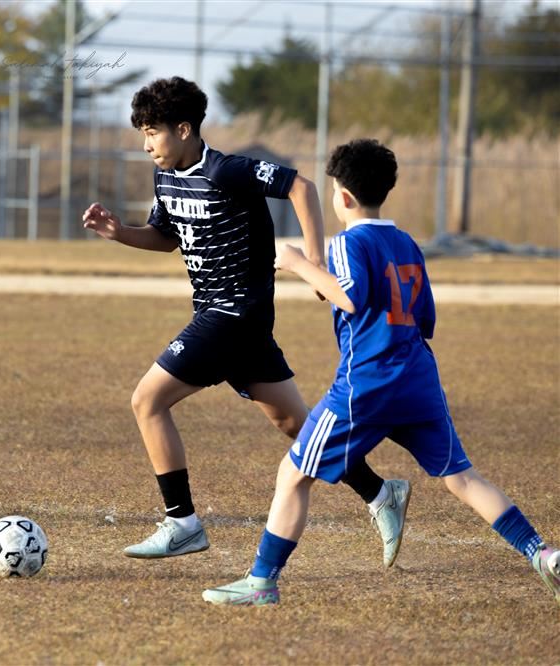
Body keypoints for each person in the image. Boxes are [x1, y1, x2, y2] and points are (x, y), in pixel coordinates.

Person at [202, 138, 559, 607]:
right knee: (464, 479)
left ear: (343, 197)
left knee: (293, 475)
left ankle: (262, 582)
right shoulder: (407, 243)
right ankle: (544, 553)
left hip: (366, 386)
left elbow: (348, 295)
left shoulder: (349, 242)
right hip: (418, 381)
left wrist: (298, 264)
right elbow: (426, 318)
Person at [82, 77, 407, 564]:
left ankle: (182, 523)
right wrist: (119, 233)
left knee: (147, 401)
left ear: (185, 129)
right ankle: (382, 493)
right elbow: (165, 235)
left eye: (153, 132)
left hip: (233, 314)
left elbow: (301, 186)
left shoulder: (228, 170)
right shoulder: (165, 175)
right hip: (227, 319)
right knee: (295, 422)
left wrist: (314, 263)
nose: (147, 144)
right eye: (143, 134)